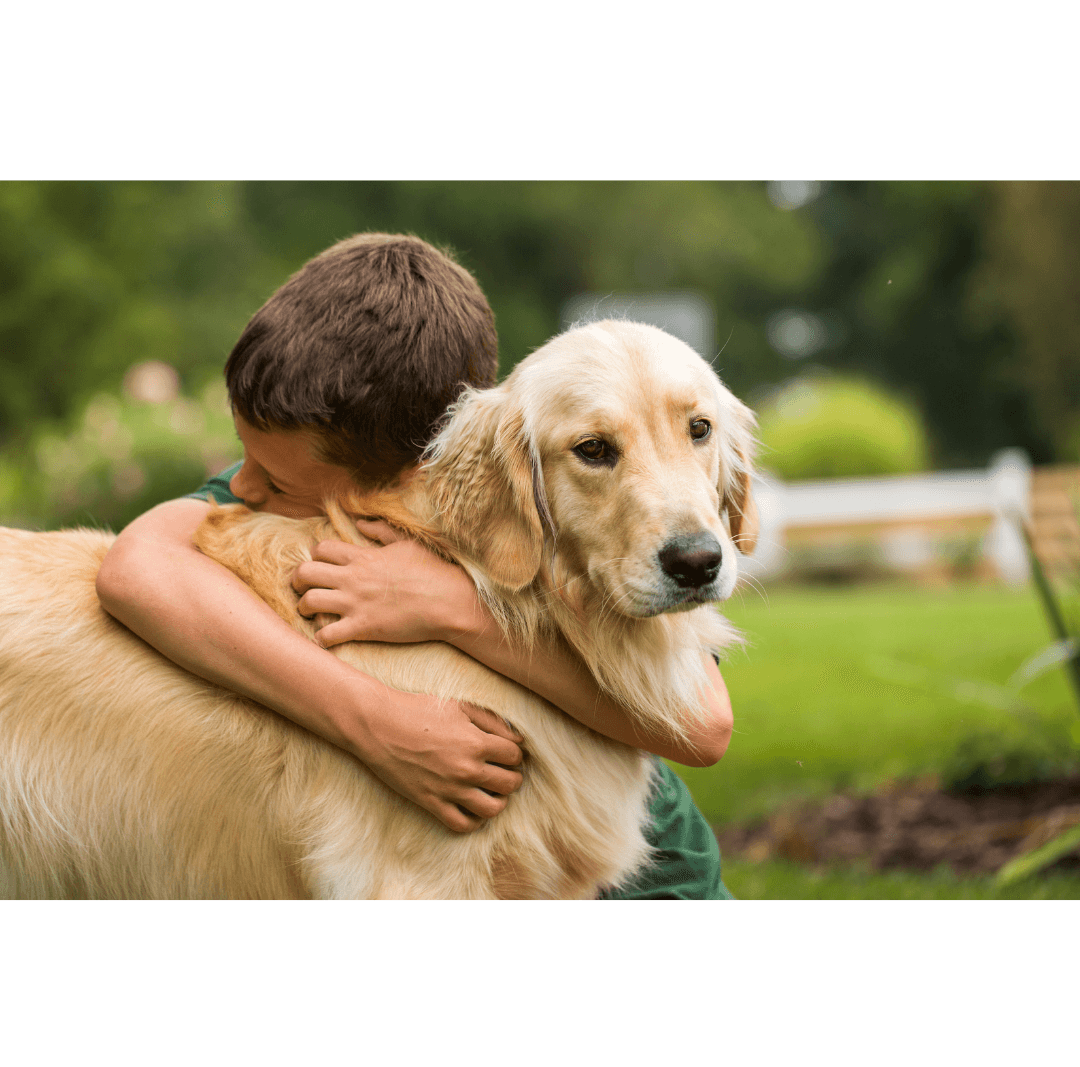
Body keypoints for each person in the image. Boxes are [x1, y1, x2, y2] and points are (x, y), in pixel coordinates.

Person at [95, 233, 735, 899]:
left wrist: (454, 611)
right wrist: (375, 719)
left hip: (659, 875)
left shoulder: (516, 484)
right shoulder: (325, 453)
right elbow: (134, 567)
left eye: (275, 479)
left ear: (405, 476)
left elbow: (704, 724)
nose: (245, 489)